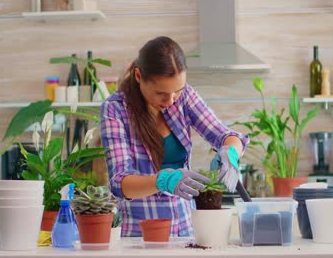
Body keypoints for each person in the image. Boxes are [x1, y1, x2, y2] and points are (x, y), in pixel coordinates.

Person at [100, 36, 249, 237]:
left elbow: (226, 135)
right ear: (138, 76)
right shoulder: (115, 109)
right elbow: (120, 183)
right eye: (161, 93)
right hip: (140, 234)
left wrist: (229, 152)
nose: (170, 100)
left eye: (177, 91)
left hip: (185, 230)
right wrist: (162, 180)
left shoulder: (184, 96)